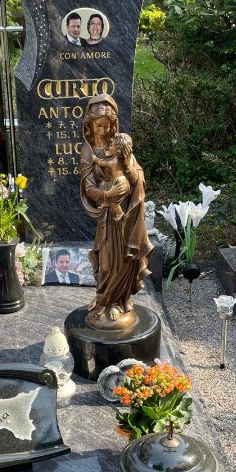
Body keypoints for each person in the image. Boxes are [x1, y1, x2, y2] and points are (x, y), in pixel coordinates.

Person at [79, 94, 153, 329]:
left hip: (127, 215)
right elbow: (87, 186)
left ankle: (118, 302)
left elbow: (137, 175)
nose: (102, 130)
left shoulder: (119, 145)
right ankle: (103, 299)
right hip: (107, 215)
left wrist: (128, 173)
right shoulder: (88, 152)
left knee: (124, 258)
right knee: (106, 261)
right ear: (89, 125)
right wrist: (107, 195)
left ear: (113, 125)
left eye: (106, 125)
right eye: (97, 125)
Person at [91, 133, 135, 222]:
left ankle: (119, 213)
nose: (109, 147)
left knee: (115, 202)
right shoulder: (122, 160)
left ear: (117, 151)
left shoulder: (113, 162)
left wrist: (95, 159)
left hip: (119, 184)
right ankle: (107, 203)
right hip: (123, 181)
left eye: (111, 146)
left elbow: (102, 163)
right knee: (112, 196)